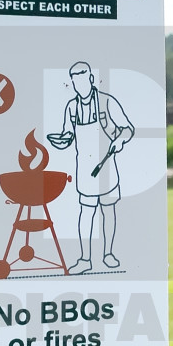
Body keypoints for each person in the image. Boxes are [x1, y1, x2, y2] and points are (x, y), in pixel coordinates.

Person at [48, 62, 134, 274]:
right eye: (75, 82)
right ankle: (85, 259)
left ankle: (109, 254)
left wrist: (120, 140)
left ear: (91, 79)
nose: (80, 86)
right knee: (86, 213)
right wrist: (62, 141)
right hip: (85, 170)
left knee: (108, 211)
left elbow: (128, 129)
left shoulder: (106, 102)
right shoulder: (71, 107)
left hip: (106, 167)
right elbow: (68, 134)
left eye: (83, 80)